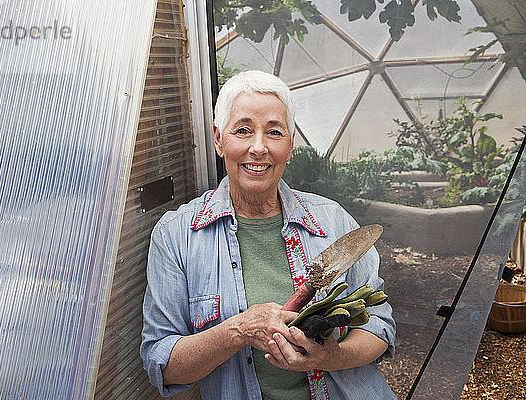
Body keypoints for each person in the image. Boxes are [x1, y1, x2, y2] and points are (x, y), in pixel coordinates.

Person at [140, 70, 396, 399]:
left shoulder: (332, 222)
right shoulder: (178, 235)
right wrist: (238, 330)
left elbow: (379, 326)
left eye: (274, 132)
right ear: (219, 139)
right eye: (243, 130)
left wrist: (330, 357)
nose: (258, 148)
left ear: (290, 145)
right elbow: (164, 365)